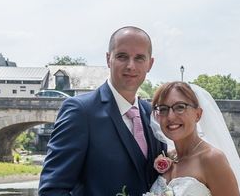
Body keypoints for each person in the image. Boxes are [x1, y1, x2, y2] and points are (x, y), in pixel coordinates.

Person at [39, 26, 165, 195]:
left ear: (150, 64)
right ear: (108, 59)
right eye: (122, 56)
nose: (131, 66)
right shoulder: (80, 112)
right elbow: (52, 190)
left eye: (140, 58)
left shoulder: (154, 115)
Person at [148, 82, 240, 196]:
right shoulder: (168, 158)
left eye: (180, 107)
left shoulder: (212, 159)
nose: (170, 116)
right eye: (163, 109)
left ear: (198, 114)